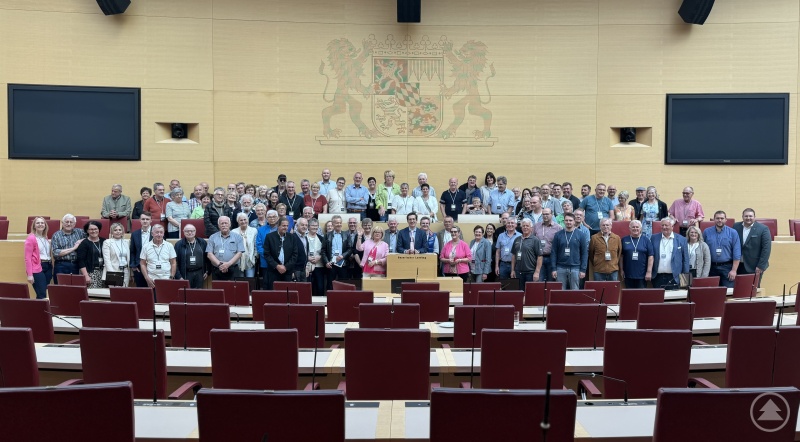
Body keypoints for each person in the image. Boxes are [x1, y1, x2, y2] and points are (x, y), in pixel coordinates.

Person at [702, 210, 742, 288]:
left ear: (725, 220)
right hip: (711, 267)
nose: (719, 220)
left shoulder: (733, 232)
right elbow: (702, 250)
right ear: (714, 219)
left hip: (727, 268)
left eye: (722, 218)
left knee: (728, 292)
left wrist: (734, 270)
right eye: (717, 218)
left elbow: (737, 253)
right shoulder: (707, 232)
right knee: (711, 292)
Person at [549, 213, 588, 289]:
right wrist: (553, 268)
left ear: (574, 221)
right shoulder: (558, 235)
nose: (568, 222)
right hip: (560, 267)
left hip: (575, 268)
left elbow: (584, 253)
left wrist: (583, 269)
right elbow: (554, 252)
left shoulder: (581, 235)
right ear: (564, 221)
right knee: (560, 292)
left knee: (575, 291)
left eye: (570, 220)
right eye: (566, 220)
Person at [734, 208, 771, 286]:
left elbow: (766, 249)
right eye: (746, 216)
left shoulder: (763, 229)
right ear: (742, 217)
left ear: (754, 217)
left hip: (755, 266)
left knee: (753, 291)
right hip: (739, 265)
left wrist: (761, 266)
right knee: (740, 289)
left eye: (750, 216)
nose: (748, 218)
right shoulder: (736, 226)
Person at [650, 218, 690, 289]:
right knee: (657, 299)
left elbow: (685, 260)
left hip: (675, 278)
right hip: (657, 277)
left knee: (673, 299)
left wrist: (685, 280)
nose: (664, 227)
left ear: (672, 226)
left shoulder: (682, 239)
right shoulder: (654, 238)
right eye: (662, 225)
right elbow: (650, 256)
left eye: (666, 225)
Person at [262, 217, 297, 289]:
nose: (286, 228)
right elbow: (267, 254)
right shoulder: (269, 237)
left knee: (286, 293)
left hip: (287, 271)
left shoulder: (292, 237)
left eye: (287, 226)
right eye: (283, 226)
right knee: (274, 293)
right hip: (273, 271)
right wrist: (277, 266)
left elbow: (295, 254)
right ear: (278, 226)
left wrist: (286, 267)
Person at [205, 216, 245, 281]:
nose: (224, 225)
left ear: (230, 224)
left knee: (233, 290)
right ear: (218, 225)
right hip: (217, 269)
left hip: (233, 269)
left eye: (226, 223)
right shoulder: (212, 237)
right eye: (222, 223)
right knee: (218, 290)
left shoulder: (237, 237)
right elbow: (209, 254)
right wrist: (220, 265)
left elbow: (239, 253)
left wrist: (228, 264)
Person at [620, 220, 654, 289]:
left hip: (642, 275)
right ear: (629, 228)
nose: (635, 229)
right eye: (633, 227)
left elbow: (650, 256)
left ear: (641, 228)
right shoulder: (624, 240)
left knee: (641, 297)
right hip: (628, 275)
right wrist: (621, 270)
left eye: (637, 227)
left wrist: (649, 272)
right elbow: (621, 256)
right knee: (629, 296)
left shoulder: (646, 240)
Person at [174, 223, 209, 289]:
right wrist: (178, 276)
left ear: (195, 231)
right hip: (186, 273)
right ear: (183, 232)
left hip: (200, 273)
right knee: (187, 294)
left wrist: (207, 271)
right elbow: (175, 262)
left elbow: (207, 258)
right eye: (187, 231)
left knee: (199, 294)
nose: (190, 232)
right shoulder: (178, 245)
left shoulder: (202, 242)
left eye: (192, 231)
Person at [51, 214, 86, 280]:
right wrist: (74, 248)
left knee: (76, 288)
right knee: (61, 287)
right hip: (61, 265)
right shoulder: (56, 235)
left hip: (77, 265)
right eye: (67, 222)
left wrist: (82, 240)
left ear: (74, 224)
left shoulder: (80, 232)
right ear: (62, 223)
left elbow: (91, 237)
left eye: (71, 222)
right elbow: (56, 253)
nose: (69, 224)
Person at [25, 217, 51, 299]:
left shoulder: (45, 238)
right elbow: (27, 258)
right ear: (34, 226)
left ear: (45, 225)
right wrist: (29, 275)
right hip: (37, 268)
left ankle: (40, 310)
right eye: (38, 223)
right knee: (41, 294)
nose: (40, 224)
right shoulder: (31, 238)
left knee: (43, 293)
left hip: (48, 266)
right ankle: (39, 311)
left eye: (42, 223)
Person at [533, 208, 562, 282]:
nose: (545, 216)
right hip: (539, 258)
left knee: (551, 282)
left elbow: (561, 244)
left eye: (547, 214)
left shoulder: (558, 228)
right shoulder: (536, 226)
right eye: (543, 214)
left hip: (552, 258)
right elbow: (532, 240)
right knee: (539, 281)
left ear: (552, 215)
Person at [510, 218, 543, 284]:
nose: (525, 227)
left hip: (531, 272)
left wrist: (537, 272)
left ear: (531, 228)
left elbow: (540, 257)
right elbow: (514, 255)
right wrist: (512, 270)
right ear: (521, 228)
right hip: (518, 271)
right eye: (523, 226)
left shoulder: (535, 240)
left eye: (527, 226)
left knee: (530, 293)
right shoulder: (517, 239)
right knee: (520, 292)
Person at [76, 221, 105, 288]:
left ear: (99, 229)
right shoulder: (84, 243)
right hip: (90, 273)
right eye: (91, 229)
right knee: (92, 294)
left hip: (102, 272)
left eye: (95, 229)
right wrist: (86, 276)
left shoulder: (104, 241)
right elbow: (81, 261)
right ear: (87, 231)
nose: (94, 231)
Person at [325, 215, 353, 282]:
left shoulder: (347, 234)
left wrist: (343, 256)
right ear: (333, 224)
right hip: (331, 264)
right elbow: (323, 250)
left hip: (343, 264)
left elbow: (350, 249)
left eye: (340, 222)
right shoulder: (327, 235)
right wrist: (326, 262)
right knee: (330, 285)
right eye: (337, 223)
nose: (339, 224)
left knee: (343, 285)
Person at [102, 222, 130, 287]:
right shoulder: (107, 242)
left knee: (124, 293)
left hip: (125, 271)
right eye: (115, 230)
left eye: (120, 230)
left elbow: (128, 258)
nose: (118, 232)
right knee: (115, 293)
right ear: (112, 232)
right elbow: (107, 260)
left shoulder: (126, 242)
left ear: (123, 231)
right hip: (113, 270)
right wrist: (112, 273)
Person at [129, 212, 152, 288]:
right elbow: (132, 251)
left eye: (147, 219)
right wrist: (133, 266)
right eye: (143, 219)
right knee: (141, 291)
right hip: (138, 268)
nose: (145, 221)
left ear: (151, 220)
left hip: (153, 267)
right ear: (140, 220)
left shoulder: (157, 233)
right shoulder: (135, 234)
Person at [306, 218, 328, 296]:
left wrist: (320, 257)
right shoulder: (304, 238)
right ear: (308, 227)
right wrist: (307, 257)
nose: (315, 227)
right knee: (308, 288)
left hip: (319, 266)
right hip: (307, 266)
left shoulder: (321, 238)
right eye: (313, 225)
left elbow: (325, 251)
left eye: (316, 226)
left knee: (320, 287)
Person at [234, 212, 258, 278]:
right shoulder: (233, 232)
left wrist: (255, 256)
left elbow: (255, 245)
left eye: (245, 219)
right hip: (238, 261)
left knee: (250, 281)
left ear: (247, 220)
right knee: (240, 283)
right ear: (238, 221)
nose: (243, 221)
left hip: (250, 260)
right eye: (241, 220)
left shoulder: (254, 230)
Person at [292, 217, 311, 282]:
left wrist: (306, 267)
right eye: (302, 225)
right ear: (297, 226)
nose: (304, 227)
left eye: (306, 225)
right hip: (295, 270)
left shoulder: (305, 237)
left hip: (303, 269)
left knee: (303, 290)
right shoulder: (292, 237)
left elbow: (305, 253)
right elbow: (289, 255)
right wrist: (291, 271)